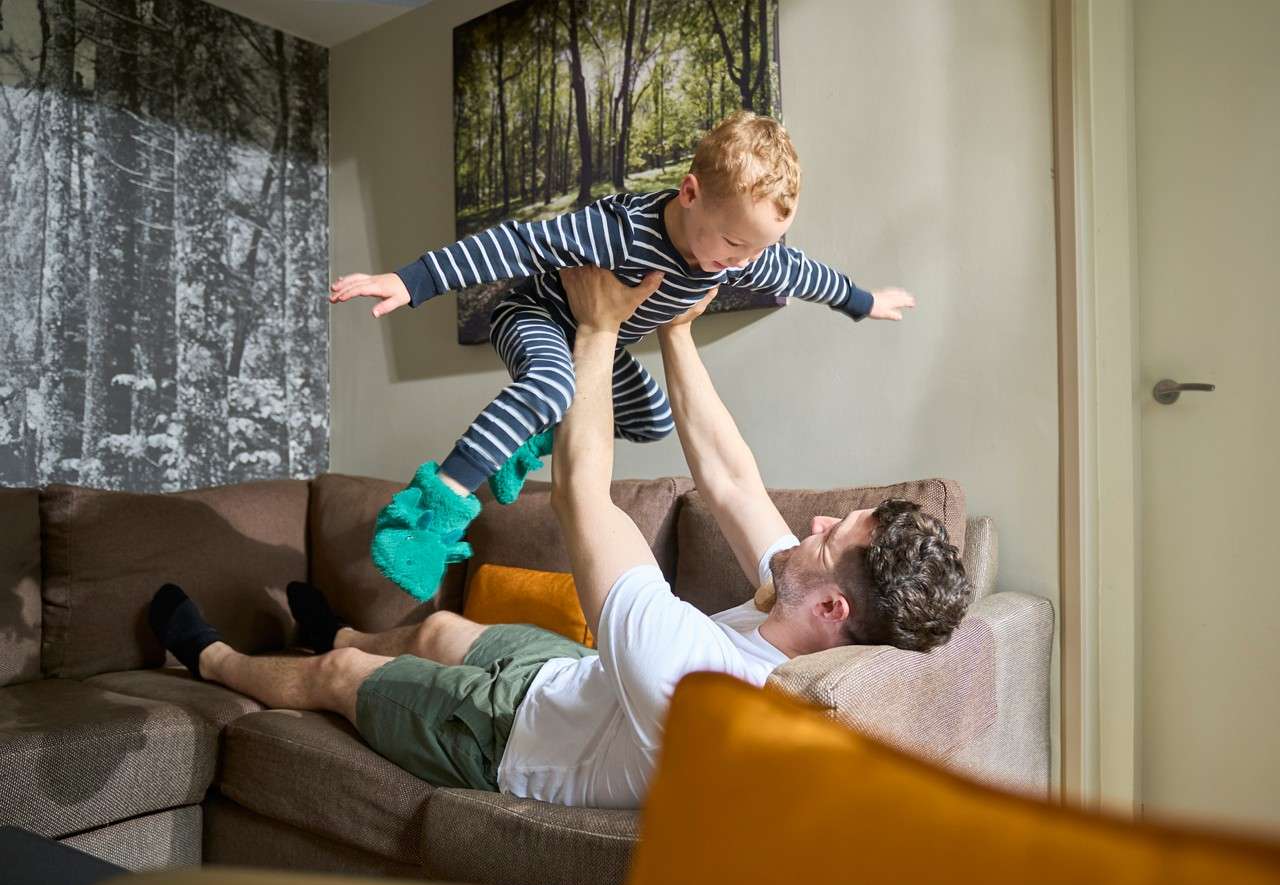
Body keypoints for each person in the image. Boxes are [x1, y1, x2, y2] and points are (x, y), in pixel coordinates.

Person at [151, 267, 969, 809]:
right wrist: (677, 329)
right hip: (574, 680)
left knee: (342, 678)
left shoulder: (702, 685)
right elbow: (729, 477)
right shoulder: (798, 612)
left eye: (830, 537)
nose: (815, 525)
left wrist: (598, 328)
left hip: (511, 742)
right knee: (437, 627)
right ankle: (336, 628)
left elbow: (582, 497)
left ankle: (212, 659)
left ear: (831, 608)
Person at [328, 110, 918, 601]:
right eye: (735, 243)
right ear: (690, 193)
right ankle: (427, 514)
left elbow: (807, 274)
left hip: (597, 344)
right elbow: (516, 243)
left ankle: (525, 439)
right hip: (537, 317)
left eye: (758, 249)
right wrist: (412, 281)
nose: (743, 263)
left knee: (652, 417)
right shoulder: (619, 231)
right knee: (550, 389)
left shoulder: (744, 256)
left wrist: (864, 301)